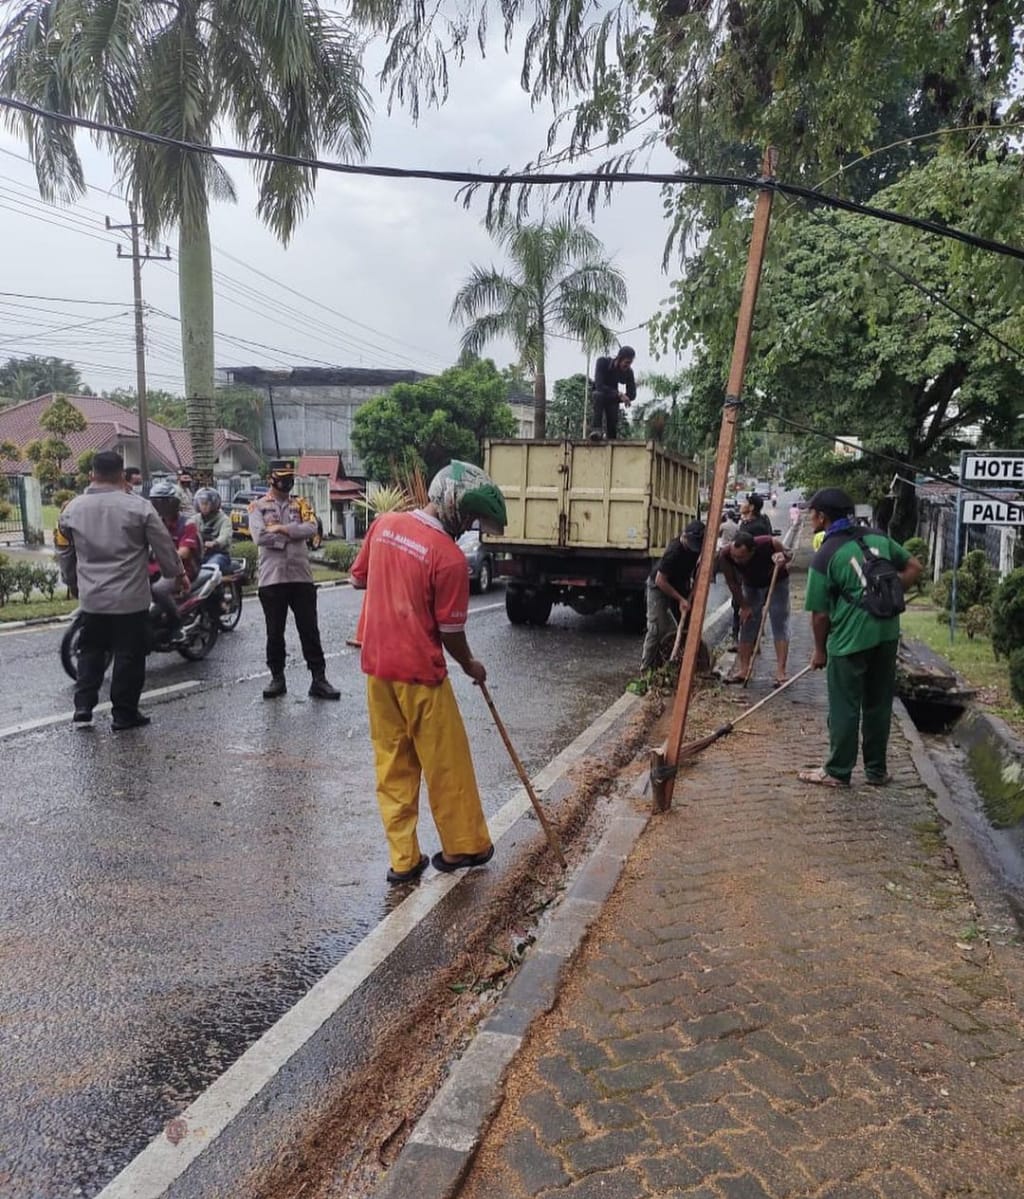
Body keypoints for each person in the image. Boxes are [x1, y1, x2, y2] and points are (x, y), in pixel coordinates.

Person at [351, 460, 507, 884]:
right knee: (446, 765)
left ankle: (404, 861)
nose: (472, 524)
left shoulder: (384, 524)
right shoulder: (450, 558)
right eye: (472, 516)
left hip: (378, 671)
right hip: (422, 675)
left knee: (393, 767)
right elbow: (451, 632)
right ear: (456, 506)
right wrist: (470, 665)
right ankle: (465, 847)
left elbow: (357, 579)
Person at [800, 487, 922, 788]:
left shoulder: (826, 554)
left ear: (823, 516)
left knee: (845, 706)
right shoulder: (878, 537)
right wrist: (890, 593)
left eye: (811, 513)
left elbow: (820, 614)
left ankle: (838, 771)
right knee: (878, 704)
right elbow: (914, 567)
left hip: (849, 640)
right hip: (887, 633)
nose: (808, 517)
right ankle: (877, 771)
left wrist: (819, 652)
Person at [56, 450, 186, 730]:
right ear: (121, 474)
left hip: (92, 600)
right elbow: (163, 546)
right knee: (129, 655)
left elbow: (65, 552)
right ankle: (124, 714)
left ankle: (83, 707)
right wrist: (175, 576)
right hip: (130, 600)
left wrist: (73, 582)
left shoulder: (71, 510)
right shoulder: (138, 507)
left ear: (92, 474)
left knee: (90, 651)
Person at [249, 459, 340, 700]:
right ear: (271, 478)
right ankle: (277, 678)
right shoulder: (257, 506)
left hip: (301, 577)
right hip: (272, 579)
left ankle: (319, 679)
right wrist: (290, 535)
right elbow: (259, 537)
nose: (287, 482)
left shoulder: (300, 503)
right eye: (282, 477)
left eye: (290, 477)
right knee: (274, 632)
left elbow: (311, 528)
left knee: (309, 629)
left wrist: (282, 530)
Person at [719, 530, 793, 686]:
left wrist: (783, 558)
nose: (736, 560)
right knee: (747, 623)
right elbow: (732, 583)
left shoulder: (769, 543)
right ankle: (743, 670)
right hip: (751, 584)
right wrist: (744, 606)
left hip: (777, 581)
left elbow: (789, 553)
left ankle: (781, 672)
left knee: (779, 621)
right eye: (734, 556)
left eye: (741, 557)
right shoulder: (725, 555)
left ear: (752, 551)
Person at [640, 520, 705, 671]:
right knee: (657, 628)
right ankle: (646, 668)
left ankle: (685, 665)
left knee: (689, 627)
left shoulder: (699, 547)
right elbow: (660, 581)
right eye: (691, 544)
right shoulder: (674, 551)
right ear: (684, 536)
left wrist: (691, 592)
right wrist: (681, 599)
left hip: (680, 584)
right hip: (659, 586)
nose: (693, 548)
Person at [148, 481, 202, 644]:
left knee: (159, 590)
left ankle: (175, 624)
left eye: (164, 502)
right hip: (156, 566)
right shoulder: (155, 522)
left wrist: (162, 556)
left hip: (183, 569)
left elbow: (184, 552)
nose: (160, 506)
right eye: (157, 502)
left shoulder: (187, 523)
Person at [588, 346, 637, 441]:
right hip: (600, 393)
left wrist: (625, 397)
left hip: (613, 398)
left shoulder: (629, 372)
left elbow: (632, 394)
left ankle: (611, 437)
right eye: (626, 363)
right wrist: (619, 394)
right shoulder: (603, 362)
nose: (627, 366)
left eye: (630, 363)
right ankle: (596, 430)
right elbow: (599, 385)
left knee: (612, 426)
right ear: (619, 359)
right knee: (598, 395)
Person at [194, 487, 232, 571]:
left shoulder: (224, 519)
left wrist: (215, 543)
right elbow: (187, 531)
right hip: (199, 554)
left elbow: (225, 536)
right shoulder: (195, 519)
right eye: (201, 503)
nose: (204, 506)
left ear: (214, 504)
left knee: (209, 568)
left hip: (219, 554)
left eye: (207, 503)